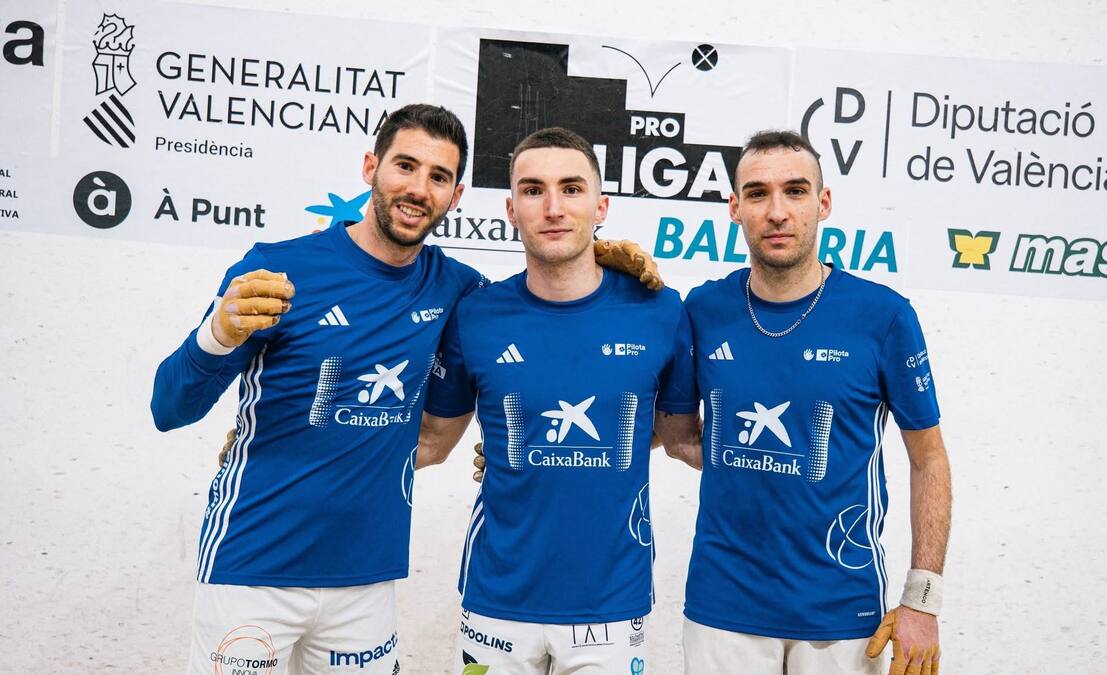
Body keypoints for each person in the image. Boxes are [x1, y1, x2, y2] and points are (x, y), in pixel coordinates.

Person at [151, 104, 659, 675]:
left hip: (366, 581)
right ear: (371, 166)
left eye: (438, 177)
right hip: (251, 565)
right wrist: (215, 336)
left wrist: (609, 261)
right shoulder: (278, 270)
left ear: (456, 195)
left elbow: (541, 313)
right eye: (405, 166)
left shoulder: (458, 292)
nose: (419, 189)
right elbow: (169, 409)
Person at [416, 127, 701, 674]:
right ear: (510, 208)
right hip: (496, 605)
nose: (552, 207)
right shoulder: (475, 314)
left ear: (601, 206)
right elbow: (431, 439)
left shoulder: (661, 311)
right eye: (532, 189)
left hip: (612, 608)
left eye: (571, 189)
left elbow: (673, 432)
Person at [676, 130, 952, 675]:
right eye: (757, 194)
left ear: (823, 203)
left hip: (843, 615)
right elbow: (675, 432)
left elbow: (930, 458)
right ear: (734, 208)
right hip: (720, 609)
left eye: (795, 191)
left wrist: (922, 599)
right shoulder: (702, 310)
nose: (777, 211)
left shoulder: (884, 316)